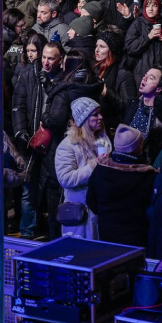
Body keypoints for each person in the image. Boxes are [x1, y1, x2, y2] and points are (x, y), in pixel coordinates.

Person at [85, 124, 156, 247]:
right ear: (137, 147)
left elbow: (91, 201)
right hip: (137, 236)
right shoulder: (147, 176)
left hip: (107, 234)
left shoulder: (101, 170)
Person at [53, 98, 112, 238]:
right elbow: (65, 179)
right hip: (80, 214)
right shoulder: (67, 145)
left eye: (100, 113)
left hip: (101, 210)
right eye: (95, 114)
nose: (100, 117)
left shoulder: (103, 142)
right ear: (83, 119)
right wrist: (93, 165)